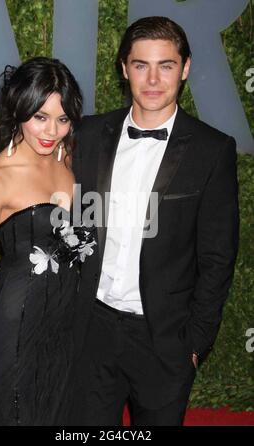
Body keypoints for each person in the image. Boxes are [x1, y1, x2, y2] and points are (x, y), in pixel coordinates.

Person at [68, 16, 239, 426]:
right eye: (141, 64)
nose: (153, 79)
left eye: (165, 65)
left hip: (164, 340)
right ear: (125, 68)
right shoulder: (87, 135)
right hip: (92, 327)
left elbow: (218, 255)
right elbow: (65, 220)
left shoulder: (212, 150)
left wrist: (195, 344)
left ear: (185, 68)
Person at [0, 57, 96, 426]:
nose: (51, 130)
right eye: (40, 117)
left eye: (62, 119)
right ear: (18, 109)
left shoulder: (65, 156)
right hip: (15, 325)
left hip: (63, 325)